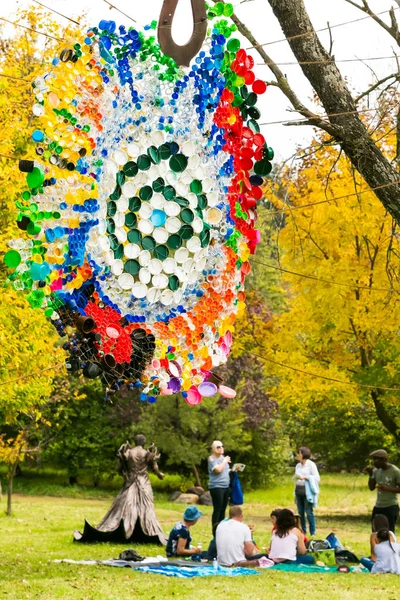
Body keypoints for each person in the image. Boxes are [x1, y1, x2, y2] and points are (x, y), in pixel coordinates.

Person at [75, 435, 167, 544]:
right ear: (144, 443)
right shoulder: (147, 454)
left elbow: (118, 468)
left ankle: (126, 528)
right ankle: (143, 528)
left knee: (124, 506)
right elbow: (156, 469)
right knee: (146, 507)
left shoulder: (128, 452)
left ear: (135, 442)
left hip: (130, 482)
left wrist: (124, 470)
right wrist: (160, 475)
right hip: (144, 483)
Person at [366, 449, 400, 533]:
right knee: (375, 532)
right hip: (378, 506)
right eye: (373, 459)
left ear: (385, 460)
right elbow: (371, 487)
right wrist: (371, 475)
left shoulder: (395, 471)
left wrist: (387, 488)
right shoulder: (376, 471)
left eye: (377, 459)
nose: (374, 462)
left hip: (390, 506)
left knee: (389, 532)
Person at [294, 446, 320, 536]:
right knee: (300, 512)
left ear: (304, 454)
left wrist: (306, 477)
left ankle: (313, 532)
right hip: (298, 490)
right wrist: (294, 494)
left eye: (299, 453)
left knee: (308, 512)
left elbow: (317, 478)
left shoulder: (311, 464)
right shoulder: (297, 465)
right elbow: (296, 479)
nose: (298, 455)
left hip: (307, 491)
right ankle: (303, 531)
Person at [208, 440, 231, 531]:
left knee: (223, 508)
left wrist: (232, 470)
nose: (221, 448)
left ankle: (221, 529)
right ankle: (215, 529)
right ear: (214, 449)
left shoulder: (223, 458)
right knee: (218, 508)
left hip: (225, 486)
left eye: (222, 446)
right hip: (216, 487)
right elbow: (218, 470)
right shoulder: (211, 459)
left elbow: (225, 470)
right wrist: (225, 461)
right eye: (218, 447)